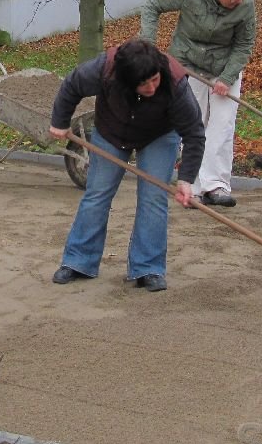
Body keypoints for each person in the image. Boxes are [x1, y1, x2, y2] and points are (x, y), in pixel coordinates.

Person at [49, 38, 205, 292]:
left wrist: (186, 179)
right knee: (97, 194)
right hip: (112, 130)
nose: (151, 87)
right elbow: (72, 85)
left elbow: (194, 133)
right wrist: (60, 121)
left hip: (158, 134)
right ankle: (78, 261)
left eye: (154, 79)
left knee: (153, 198)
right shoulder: (104, 70)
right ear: (126, 81)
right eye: (143, 84)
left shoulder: (176, 83)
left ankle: (149, 267)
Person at [140, 0, 256, 208]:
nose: (239, 0)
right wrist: (148, 45)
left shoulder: (246, 5)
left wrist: (227, 77)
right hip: (188, 66)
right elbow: (152, 5)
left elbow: (244, 45)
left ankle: (216, 186)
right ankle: (192, 187)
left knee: (223, 125)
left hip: (224, 68)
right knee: (194, 124)